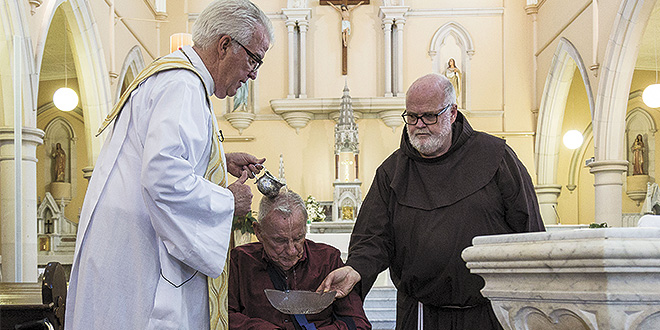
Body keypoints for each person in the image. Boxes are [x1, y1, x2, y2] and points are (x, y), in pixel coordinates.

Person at [65, 1, 274, 329]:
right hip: (141, 270)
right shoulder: (183, 85)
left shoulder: (175, 78)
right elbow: (164, 177)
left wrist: (217, 159)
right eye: (254, 57)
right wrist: (228, 201)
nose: (254, 72)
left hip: (126, 258)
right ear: (224, 45)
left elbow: (157, 157)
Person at [318, 73, 545, 329]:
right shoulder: (392, 172)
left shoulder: (496, 157)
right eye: (412, 117)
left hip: (491, 313)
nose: (419, 125)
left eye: (429, 116)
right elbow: (373, 238)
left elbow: (529, 232)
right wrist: (355, 269)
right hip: (421, 315)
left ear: (452, 112)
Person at [229, 190, 371, 330]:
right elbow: (223, 316)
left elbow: (358, 323)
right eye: (280, 240)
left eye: (298, 238)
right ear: (258, 231)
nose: (291, 250)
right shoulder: (240, 261)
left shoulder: (328, 259)